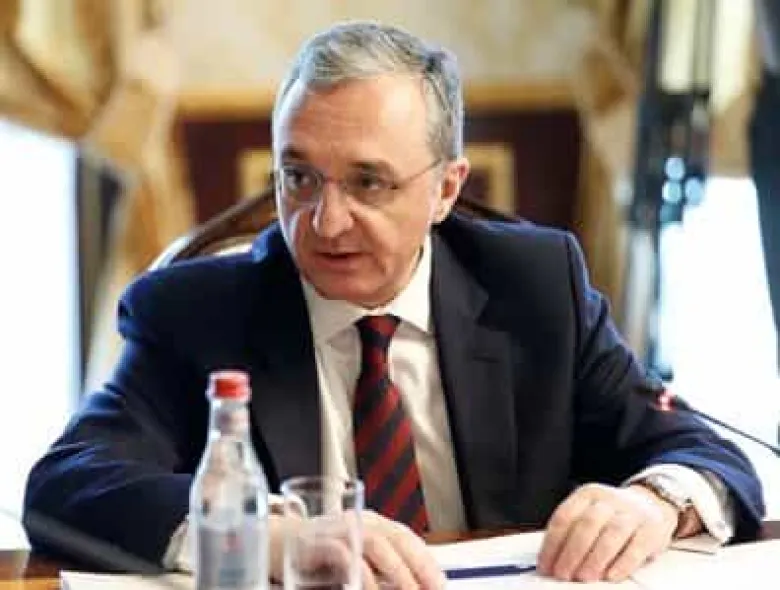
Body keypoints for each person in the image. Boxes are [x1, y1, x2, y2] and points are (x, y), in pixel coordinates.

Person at [24, 21, 764, 588]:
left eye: (368, 183)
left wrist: (650, 503)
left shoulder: (535, 290)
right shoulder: (196, 314)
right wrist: (274, 539)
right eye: (299, 177)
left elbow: (699, 453)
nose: (325, 222)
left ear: (445, 188)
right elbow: (67, 484)